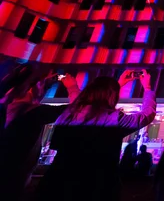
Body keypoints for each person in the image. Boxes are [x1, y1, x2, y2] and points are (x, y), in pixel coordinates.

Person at [35, 70, 156, 201]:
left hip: (57, 182)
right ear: (112, 96)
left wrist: (73, 87)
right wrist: (147, 88)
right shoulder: (114, 119)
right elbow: (146, 115)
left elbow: (80, 103)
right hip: (96, 186)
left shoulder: (67, 114)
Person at [0, 66, 80, 201]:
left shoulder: (6, 107)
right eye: (41, 82)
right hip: (11, 180)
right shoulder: (35, 113)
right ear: (31, 87)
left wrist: (40, 89)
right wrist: (72, 87)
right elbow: (77, 111)